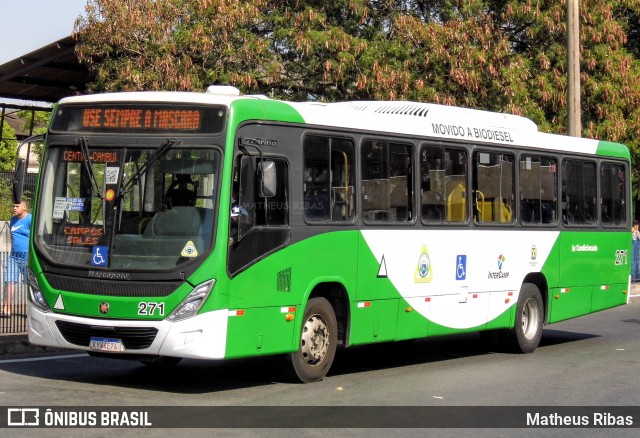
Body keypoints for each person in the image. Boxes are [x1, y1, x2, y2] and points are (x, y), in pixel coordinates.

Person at [2, 201, 31, 317]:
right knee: (9, 282)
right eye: (13, 206)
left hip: (28, 258)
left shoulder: (30, 219)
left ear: (24, 207)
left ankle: (31, 310)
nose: (14, 208)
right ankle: (7, 309)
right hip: (14, 257)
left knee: (31, 285)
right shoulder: (12, 219)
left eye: (17, 206)